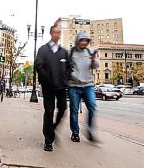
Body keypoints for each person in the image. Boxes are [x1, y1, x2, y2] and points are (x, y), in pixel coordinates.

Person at [35, 24, 69, 152]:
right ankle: (48, 141)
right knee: (49, 112)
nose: (57, 35)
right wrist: (46, 80)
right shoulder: (43, 50)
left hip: (61, 87)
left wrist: (65, 79)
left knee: (63, 109)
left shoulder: (63, 52)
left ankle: (52, 129)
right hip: (48, 87)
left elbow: (69, 68)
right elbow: (39, 66)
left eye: (59, 33)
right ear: (51, 33)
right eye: (55, 32)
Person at [68, 32, 99, 143]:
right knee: (74, 110)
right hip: (74, 86)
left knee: (92, 107)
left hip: (88, 85)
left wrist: (93, 60)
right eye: (82, 40)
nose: (84, 42)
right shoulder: (71, 52)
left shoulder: (89, 52)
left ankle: (89, 129)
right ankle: (75, 133)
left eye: (86, 40)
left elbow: (95, 66)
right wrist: (72, 76)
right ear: (78, 41)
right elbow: (66, 67)